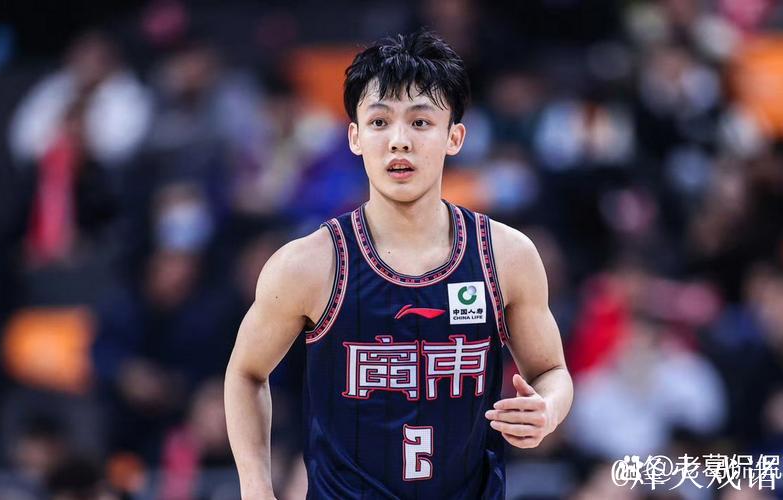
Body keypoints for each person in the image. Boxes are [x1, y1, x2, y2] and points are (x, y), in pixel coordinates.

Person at [224, 28, 573, 499]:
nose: (399, 141)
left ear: (454, 137)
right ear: (354, 136)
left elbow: (551, 371)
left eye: (421, 122)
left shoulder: (507, 256)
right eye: (380, 122)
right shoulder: (308, 264)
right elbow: (245, 373)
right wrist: (255, 488)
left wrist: (547, 409)